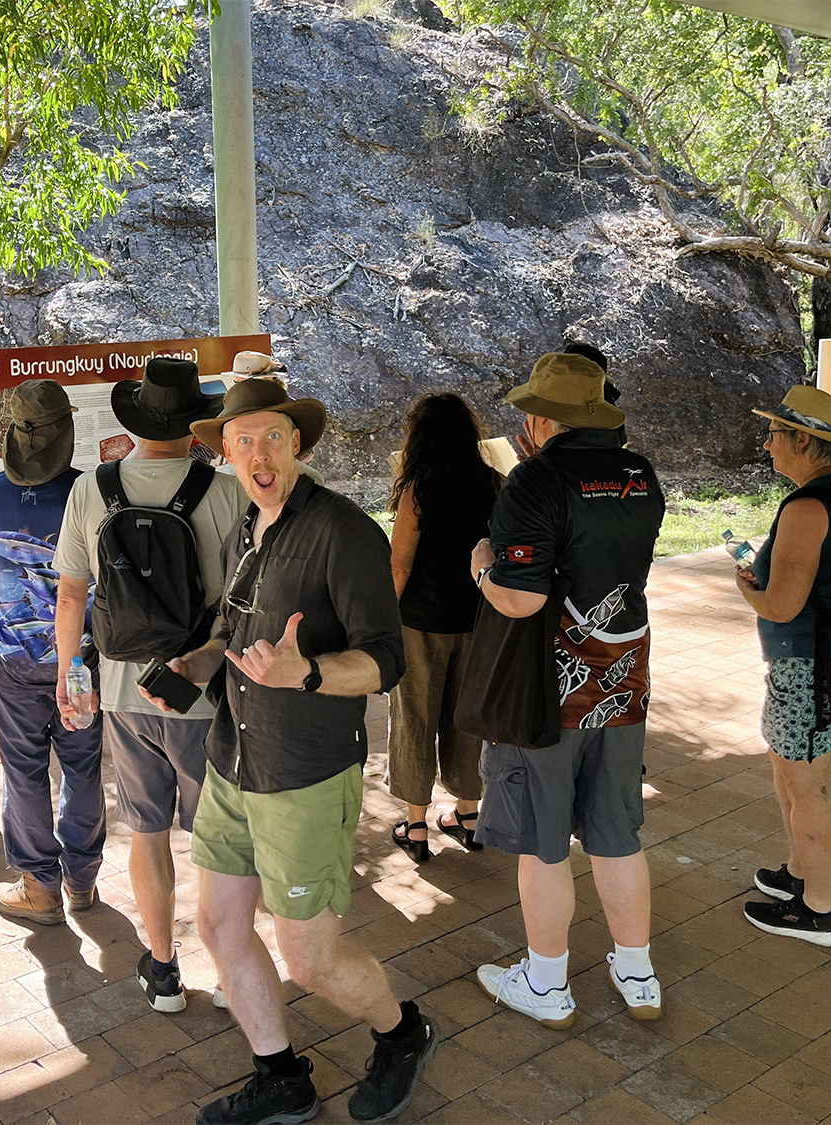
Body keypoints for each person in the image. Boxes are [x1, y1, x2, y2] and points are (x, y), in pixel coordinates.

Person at [147, 378, 434, 1125]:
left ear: (297, 444)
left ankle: (403, 1032)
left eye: (271, 436)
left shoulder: (343, 533)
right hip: (233, 762)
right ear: (227, 454)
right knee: (217, 927)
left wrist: (305, 671)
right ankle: (281, 1076)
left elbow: (385, 661)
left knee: (309, 961)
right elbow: (240, 637)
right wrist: (196, 665)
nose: (257, 454)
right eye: (241, 441)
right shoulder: (250, 524)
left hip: (303, 774)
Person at [470, 351, 666, 1028]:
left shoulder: (536, 479)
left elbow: (521, 600)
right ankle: (638, 974)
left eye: (530, 409)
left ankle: (547, 982)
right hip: (625, 682)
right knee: (616, 832)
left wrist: (482, 568)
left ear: (545, 417)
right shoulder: (642, 476)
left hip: (545, 692)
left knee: (544, 839)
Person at [51, 357, 248, 1012]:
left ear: (136, 419)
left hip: (123, 689)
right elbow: (244, 603)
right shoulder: (224, 491)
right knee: (218, 837)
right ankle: (229, 971)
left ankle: (164, 970)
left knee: (147, 829)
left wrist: (69, 673)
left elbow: (72, 595)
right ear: (196, 423)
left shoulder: (92, 489)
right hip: (201, 689)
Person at [736, 386, 831, 947]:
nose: (766, 445)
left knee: (808, 786)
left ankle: (818, 913)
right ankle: (796, 873)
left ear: (801, 440)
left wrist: (745, 586)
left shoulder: (807, 508)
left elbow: (781, 605)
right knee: (794, 773)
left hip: (813, 671)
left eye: (773, 434)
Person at [0, 379, 105, 926]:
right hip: (79, 660)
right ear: (67, 435)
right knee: (82, 768)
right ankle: (81, 883)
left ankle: (38, 886)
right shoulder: (93, 491)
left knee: (23, 772)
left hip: (12, 656)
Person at [386, 393, 500, 862]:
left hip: (419, 623)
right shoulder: (496, 483)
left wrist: (379, 621)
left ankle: (416, 827)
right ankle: (469, 815)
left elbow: (399, 564)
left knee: (415, 717)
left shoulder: (419, 488)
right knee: (467, 716)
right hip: (477, 620)